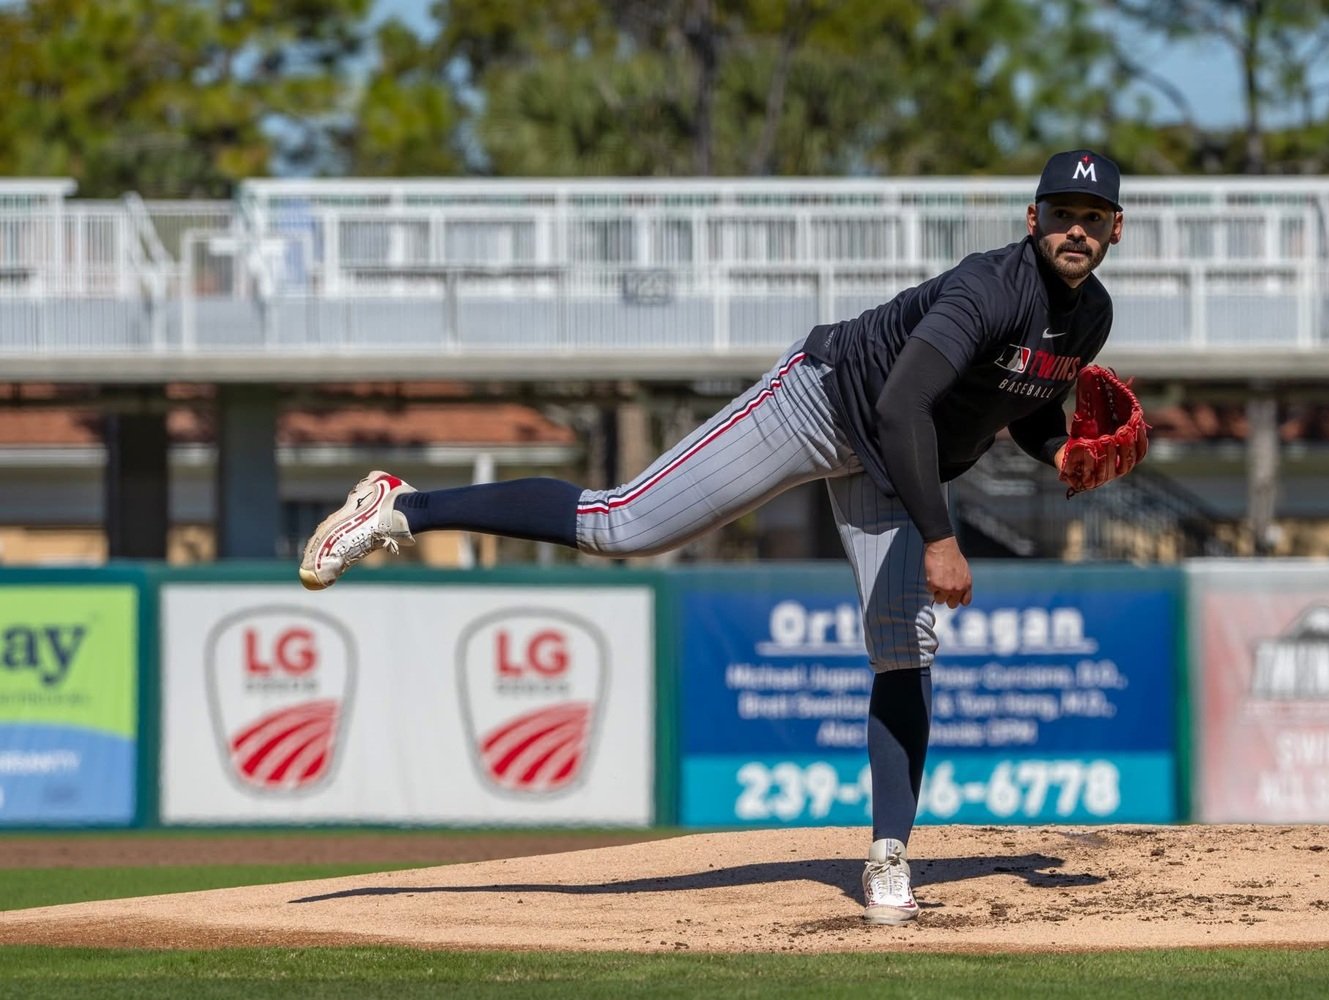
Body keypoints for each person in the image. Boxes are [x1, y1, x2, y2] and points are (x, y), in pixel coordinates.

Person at [298, 149, 1146, 925]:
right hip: (826, 403)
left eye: (1094, 215)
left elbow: (1019, 401)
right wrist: (939, 537)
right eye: (1063, 210)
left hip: (895, 458)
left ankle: (889, 854)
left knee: (903, 648)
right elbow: (900, 405)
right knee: (621, 522)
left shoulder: (1090, 316)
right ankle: (403, 506)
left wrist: (1058, 450)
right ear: (1031, 220)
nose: (1078, 227)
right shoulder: (986, 287)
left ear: (1116, 229)